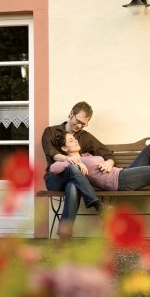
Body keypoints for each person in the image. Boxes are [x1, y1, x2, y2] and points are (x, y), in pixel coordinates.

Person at [50, 132, 150, 213]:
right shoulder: (72, 162)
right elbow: (53, 168)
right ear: (65, 148)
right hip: (120, 182)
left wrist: (108, 161)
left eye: (75, 138)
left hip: (122, 173)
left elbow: (105, 160)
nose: (76, 140)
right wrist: (67, 160)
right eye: (71, 140)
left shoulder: (85, 155)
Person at [41, 102, 115, 238]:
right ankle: (98, 205)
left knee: (73, 186)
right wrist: (67, 159)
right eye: (78, 121)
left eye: (83, 124)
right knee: (74, 169)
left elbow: (106, 153)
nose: (79, 126)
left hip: (75, 179)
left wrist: (110, 162)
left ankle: (64, 236)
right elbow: (51, 153)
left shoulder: (85, 137)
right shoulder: (50, 132)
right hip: (54, 178)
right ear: (71, 114)